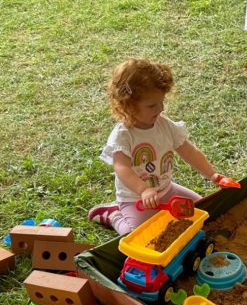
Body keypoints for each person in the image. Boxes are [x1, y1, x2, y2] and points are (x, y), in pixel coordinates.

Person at [88, 58, 234, 235]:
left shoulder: (165, 125)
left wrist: (212, 174)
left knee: (203, 212)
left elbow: (188, 151)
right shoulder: (123, 135)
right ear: (128, 105)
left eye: (161, 101)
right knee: (136, 235)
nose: (160, 108)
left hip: (166, 190)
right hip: (136, 199)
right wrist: (144, 190)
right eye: (151, 105)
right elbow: (121, 167)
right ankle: (114, 215)